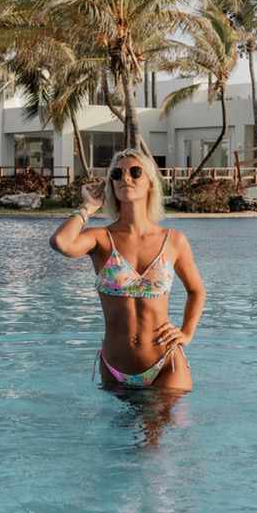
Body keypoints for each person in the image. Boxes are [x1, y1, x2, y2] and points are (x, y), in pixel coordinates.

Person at [50, 148, 206, 391]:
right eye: (117, 174)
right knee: (116, 430)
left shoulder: (173, 240)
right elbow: (61, 243)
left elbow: (196, 291)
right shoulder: (101, 238)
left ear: (150, 182)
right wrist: (88, 208)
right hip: (114, 367)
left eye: (135, 172)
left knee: (161, 428)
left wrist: (187, 333)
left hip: (165, 365)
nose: (126, 178)